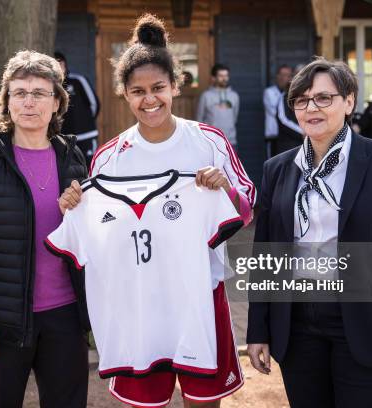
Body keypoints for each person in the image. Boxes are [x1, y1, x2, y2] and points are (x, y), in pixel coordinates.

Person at [59, 14, 256, 408]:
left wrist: (225, 188)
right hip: (137, 299)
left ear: (174, 86)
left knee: (202, 400)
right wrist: (73, 206)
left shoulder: (208, 141)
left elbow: (247, 208)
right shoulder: (109, 157)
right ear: (124, 94)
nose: (149, 100)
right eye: (138, 91)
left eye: (158, 88)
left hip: (200, 290)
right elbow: (98, 232)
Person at [247, 58, 372, 408]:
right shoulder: (277, 168)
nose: (311, 108)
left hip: (369, 322)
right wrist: (258, 331)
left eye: (323, 98)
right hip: (299, 326)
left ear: (349, 101)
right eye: (301, 100)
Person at [0, 50, 89, 408]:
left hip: (65, 318)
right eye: (19, 92)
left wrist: (80, 213)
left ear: (56, 102)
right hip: (2, 321)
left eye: (39, 93)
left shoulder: (72, 159)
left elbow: (92, 239)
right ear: (6, 100)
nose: (29, 102)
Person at [54, 51, 101, 168]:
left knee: (90, 168)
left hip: (86, 135)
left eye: (60, 63)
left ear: (65, 64)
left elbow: (94, 104)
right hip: (63, 139)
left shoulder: (78, 81)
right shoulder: (50, 87)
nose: (58, 67)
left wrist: (85, 121)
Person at [196, 63, 240, 149]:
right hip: (211, 142)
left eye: (226, 76)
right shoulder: (206, 96)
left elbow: (235, 118)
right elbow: (199, 120)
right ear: (213, 78)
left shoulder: (234, 96)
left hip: (230, 141)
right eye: (221, 76)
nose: (224, 79)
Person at [263, 64, 293, 158]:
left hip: (289, 136)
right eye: (282, 74)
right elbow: (276, 112)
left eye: (288, 75)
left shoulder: (292, 94)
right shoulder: (269, 92)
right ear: (277, 76)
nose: (285, 78)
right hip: (273, 135)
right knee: (273, 163)